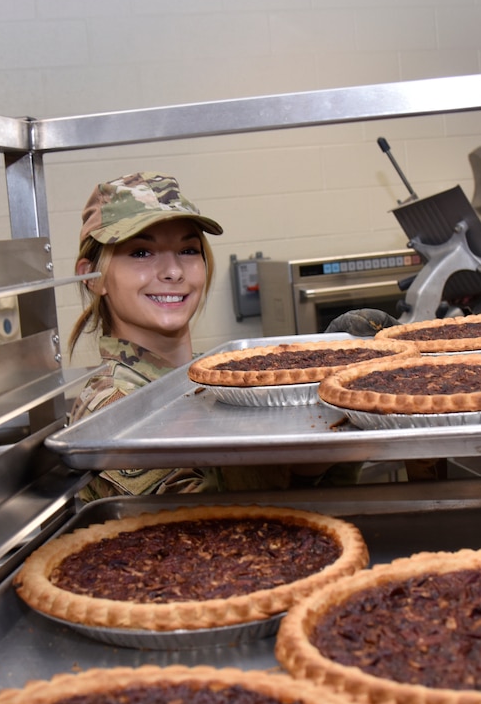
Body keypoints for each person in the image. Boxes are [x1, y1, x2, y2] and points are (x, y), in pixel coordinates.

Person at [66, 173, 354, 500]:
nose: (173, 271)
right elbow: (199, 531)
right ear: (92, 277)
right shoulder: (113, 408)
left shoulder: (212, 381)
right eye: (141, 253)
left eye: (188, 250)